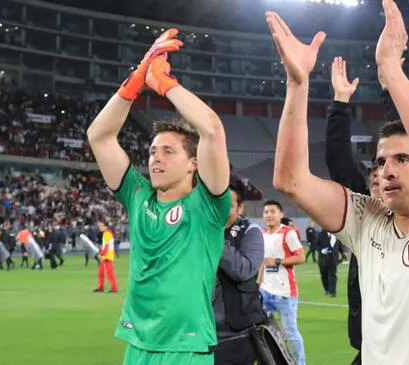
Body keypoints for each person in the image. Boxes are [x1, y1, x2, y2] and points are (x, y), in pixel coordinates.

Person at [265, 1, 409, 362]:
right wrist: (298, 83)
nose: (386, 170)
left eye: (402, 159)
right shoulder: (367, 220)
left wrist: (390, 71)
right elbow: (290, 180)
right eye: (382, 161)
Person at [87, 28, 231, 365]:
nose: (156, 158)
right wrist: (137, 79)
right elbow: (100, 136)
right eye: (153, 151)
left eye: (168, 151)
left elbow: (211, 128)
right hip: (137, 343)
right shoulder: (137, 195)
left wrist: (164, 84)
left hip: (186, 348)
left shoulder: (208, 205)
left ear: (194, 163)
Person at [325, 55, 389, 364]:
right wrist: (340, 103)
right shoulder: (364, 215)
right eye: (374, 178)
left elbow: (407, 138)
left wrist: (390, 86)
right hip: (368, 345)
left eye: (388, 175)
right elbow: (339, 162)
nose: (381, 182)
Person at [212, 177, 264, 365]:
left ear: (240, 208)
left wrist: (214, 236)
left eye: (229, 205)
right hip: (199, 333)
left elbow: (244, 270)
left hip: (235, 336)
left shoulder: (251, 232)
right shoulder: (199, 232)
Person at [260, 200, 306, 365]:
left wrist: (277, 261)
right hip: (264, 292)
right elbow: (262, 263)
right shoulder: (262, 234)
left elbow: (301, 257)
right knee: (259, 330)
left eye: (273, 211)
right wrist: (258, 284)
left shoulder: (288, 233)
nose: (269, 215)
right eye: (266, 212)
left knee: (290, 333)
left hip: (285, 293)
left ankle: (299, 363)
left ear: (281, 215)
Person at [93, 220, 118, 293]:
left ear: (105, 227)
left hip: (107, 256)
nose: (99, 227)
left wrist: (101, 254)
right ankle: (100, 287)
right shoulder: (107, 233)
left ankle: (114, 288)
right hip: (106, 256)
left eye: (101, 226)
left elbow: (106, 246)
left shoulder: (107, 234)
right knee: (100, 272)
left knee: (109, 273)